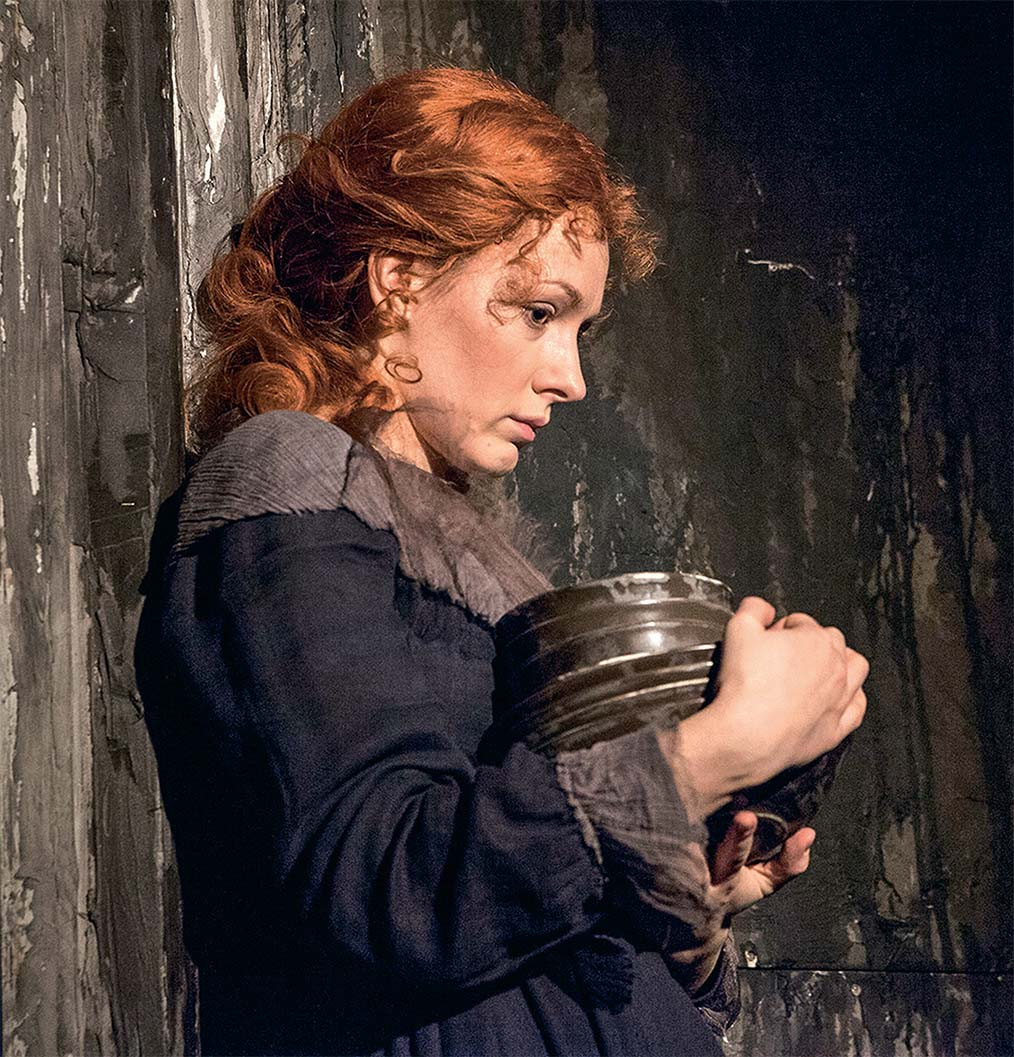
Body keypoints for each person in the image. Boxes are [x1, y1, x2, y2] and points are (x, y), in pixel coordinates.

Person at [135, 66, 868, 1056]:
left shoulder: (470, 554)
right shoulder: (291, 472)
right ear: (399, 278)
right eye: (537, 312)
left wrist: (679, 912)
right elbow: (378, 892)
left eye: (581, 329)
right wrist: (704, 757)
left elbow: (518, 945)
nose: (571, 377)